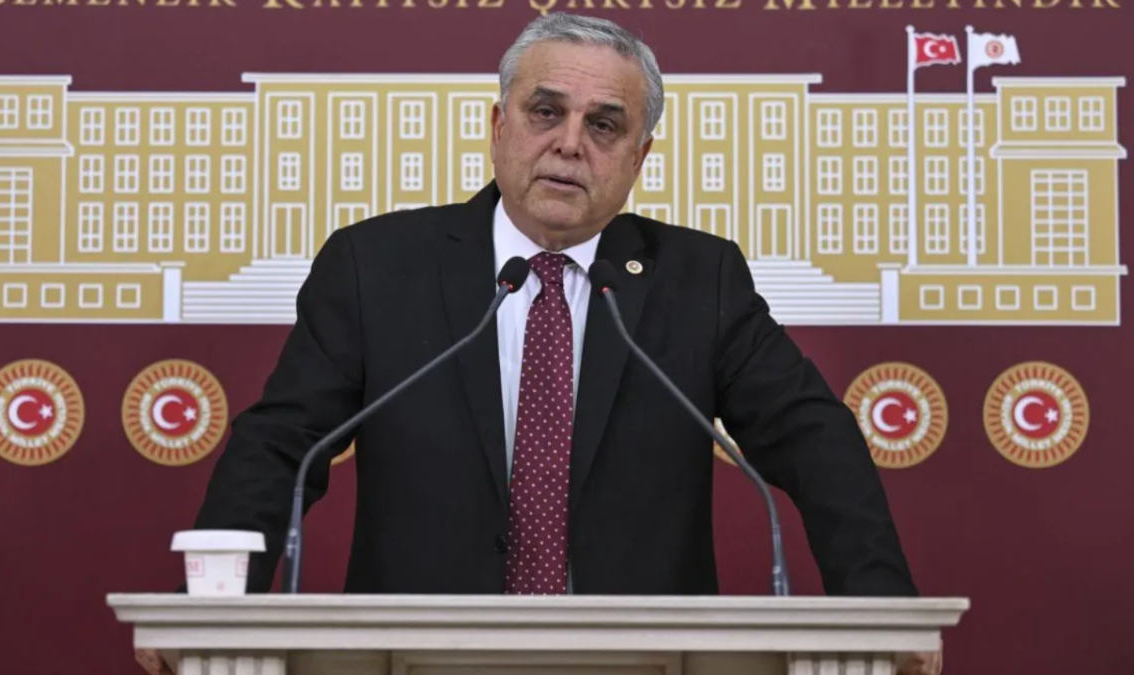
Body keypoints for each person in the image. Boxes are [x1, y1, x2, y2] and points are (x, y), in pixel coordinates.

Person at [136, 13, 942, 675]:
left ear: (639, 157)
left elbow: (812, 437)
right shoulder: (377, 266)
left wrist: (881, 607)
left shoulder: (700, 279)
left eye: (604, 125)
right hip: (414, 656)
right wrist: (213, 612)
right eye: (545, 112)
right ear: (499, 125)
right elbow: (282, 445)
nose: (569, 143)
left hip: (644, 660)